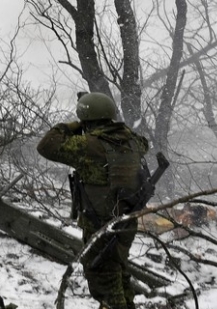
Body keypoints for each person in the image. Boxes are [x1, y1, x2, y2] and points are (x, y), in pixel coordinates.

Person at [36, 92, 149, 309]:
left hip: (100, 224)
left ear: (87, 119)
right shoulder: (133, 142)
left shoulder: (89, 145)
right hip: (126, 221)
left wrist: (73, 125)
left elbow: (46, 146)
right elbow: (143, 143)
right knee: (118, 272)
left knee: (103, 279)